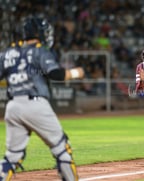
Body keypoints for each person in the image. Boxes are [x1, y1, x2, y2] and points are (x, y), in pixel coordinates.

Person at [0, 16, 84, 181]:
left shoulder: (8, 52)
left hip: (13, 107)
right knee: (61, 148)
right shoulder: (39, 50)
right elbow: (55, 74)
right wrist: (76, 73)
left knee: (12, 156)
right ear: (39, 33)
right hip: (35, 105)